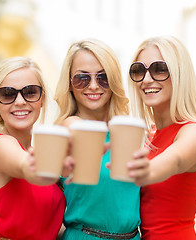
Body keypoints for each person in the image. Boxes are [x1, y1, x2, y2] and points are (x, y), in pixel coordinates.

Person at [126, 35, 196, 240]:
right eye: (139, 70)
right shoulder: (149, 135)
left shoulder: (195, 131)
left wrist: (146, 171)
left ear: (180, 75)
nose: (147, 79)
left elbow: (175, 160)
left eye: (159, 69)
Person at [54, 38, 141, 239]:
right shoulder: (67, 128)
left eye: (103, 78)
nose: (93, 86)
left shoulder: (129, 132)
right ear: (69, 84)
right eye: (82, 78)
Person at [0, 57, 66, 240]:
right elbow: (24, 165)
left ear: (41, 99)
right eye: (8, 94)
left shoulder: (37, 155)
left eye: (30, 92)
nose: (19, 101)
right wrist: (34, 166)